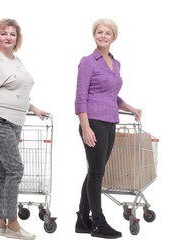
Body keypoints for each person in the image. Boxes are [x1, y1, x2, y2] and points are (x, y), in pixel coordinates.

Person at [0, 18, 49, 240]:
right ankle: (13, 224)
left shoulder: (17, 61)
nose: (8, 37)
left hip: (16, 120)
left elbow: (15, 91)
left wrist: (32, 107)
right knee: (16, 170)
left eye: (12, 34)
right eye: (3, 34)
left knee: (3, 172)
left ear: (17, 38)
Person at [74, 18, 142, 239]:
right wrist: (85, 127)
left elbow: (112, 94)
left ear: (114, 37)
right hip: (93, 122)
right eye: (99, 32)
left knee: (95, 170)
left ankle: (82, 219)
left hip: (110, 121)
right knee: (96, 173)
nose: (103, 36)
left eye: (108, 33)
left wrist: (129, 106)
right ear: (94, 35)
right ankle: (97, 222)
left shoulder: (115, 63)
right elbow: (81, 96)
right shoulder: (87, 61)